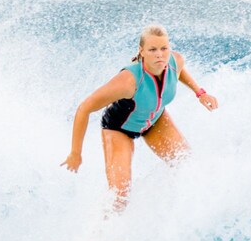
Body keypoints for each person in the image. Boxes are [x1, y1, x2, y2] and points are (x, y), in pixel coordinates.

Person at [61, 24, 218, 210]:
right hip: (120, 129)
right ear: (141, 51)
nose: (159, 54)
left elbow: (179, 70)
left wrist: (200, 93)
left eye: (164, 48)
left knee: (185, 163)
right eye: (152, 50)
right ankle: (100, 235)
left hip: (155, 120)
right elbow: (84, 108)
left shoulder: (175, 61)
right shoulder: (129, 80)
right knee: (119, 197)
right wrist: (75, 153)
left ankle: (172, 209)